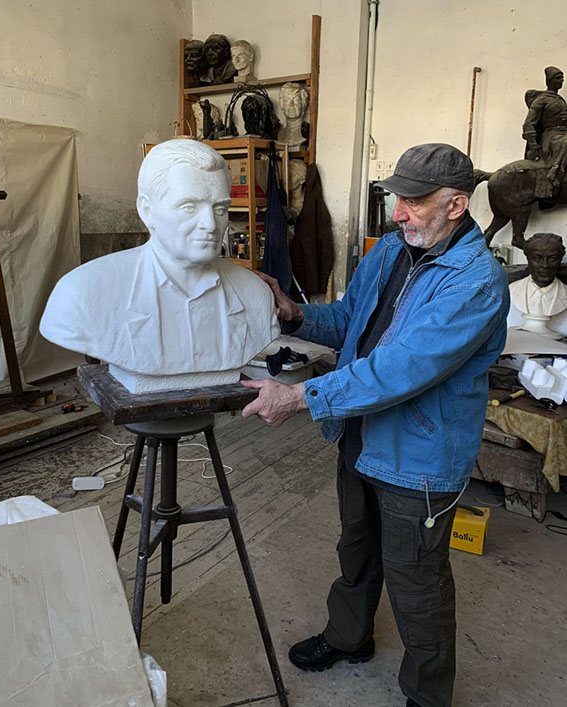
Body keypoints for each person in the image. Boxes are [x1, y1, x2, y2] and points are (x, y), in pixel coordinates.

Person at [241, 143, 509, 707]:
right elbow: (350, 321)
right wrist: (296, 312)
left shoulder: (476, 282)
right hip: (361, 436)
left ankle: (427, 695)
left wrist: (302, 396)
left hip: (419, 455)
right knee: (357, 550)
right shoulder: (389, 251)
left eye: (414, 201)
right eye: (397, 198)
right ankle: (349, 637)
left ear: (456, 205)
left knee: (417, 578)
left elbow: (402, 367)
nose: (399, 212)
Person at [40, 140, 279, 393]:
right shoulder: (81, 292)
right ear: (147, 210)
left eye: (220, 209)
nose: (210, 224)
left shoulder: (255, 294)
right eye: (189, 207)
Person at [508, 232, 567, 336]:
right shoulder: (511, 291)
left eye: (552, 258)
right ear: (528, 258)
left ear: (560, 259)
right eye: (537, 258)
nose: (544, 265)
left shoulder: (565, 293)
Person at [522, 66, 567, 195]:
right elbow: (528, 124)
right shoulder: (541, 100)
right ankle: (554, 172)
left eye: (562, 78)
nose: (561, 81)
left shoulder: (561, 100)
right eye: (558, 78)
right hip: (551, 137)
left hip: (563, 134)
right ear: (550, 80)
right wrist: (533, 146)